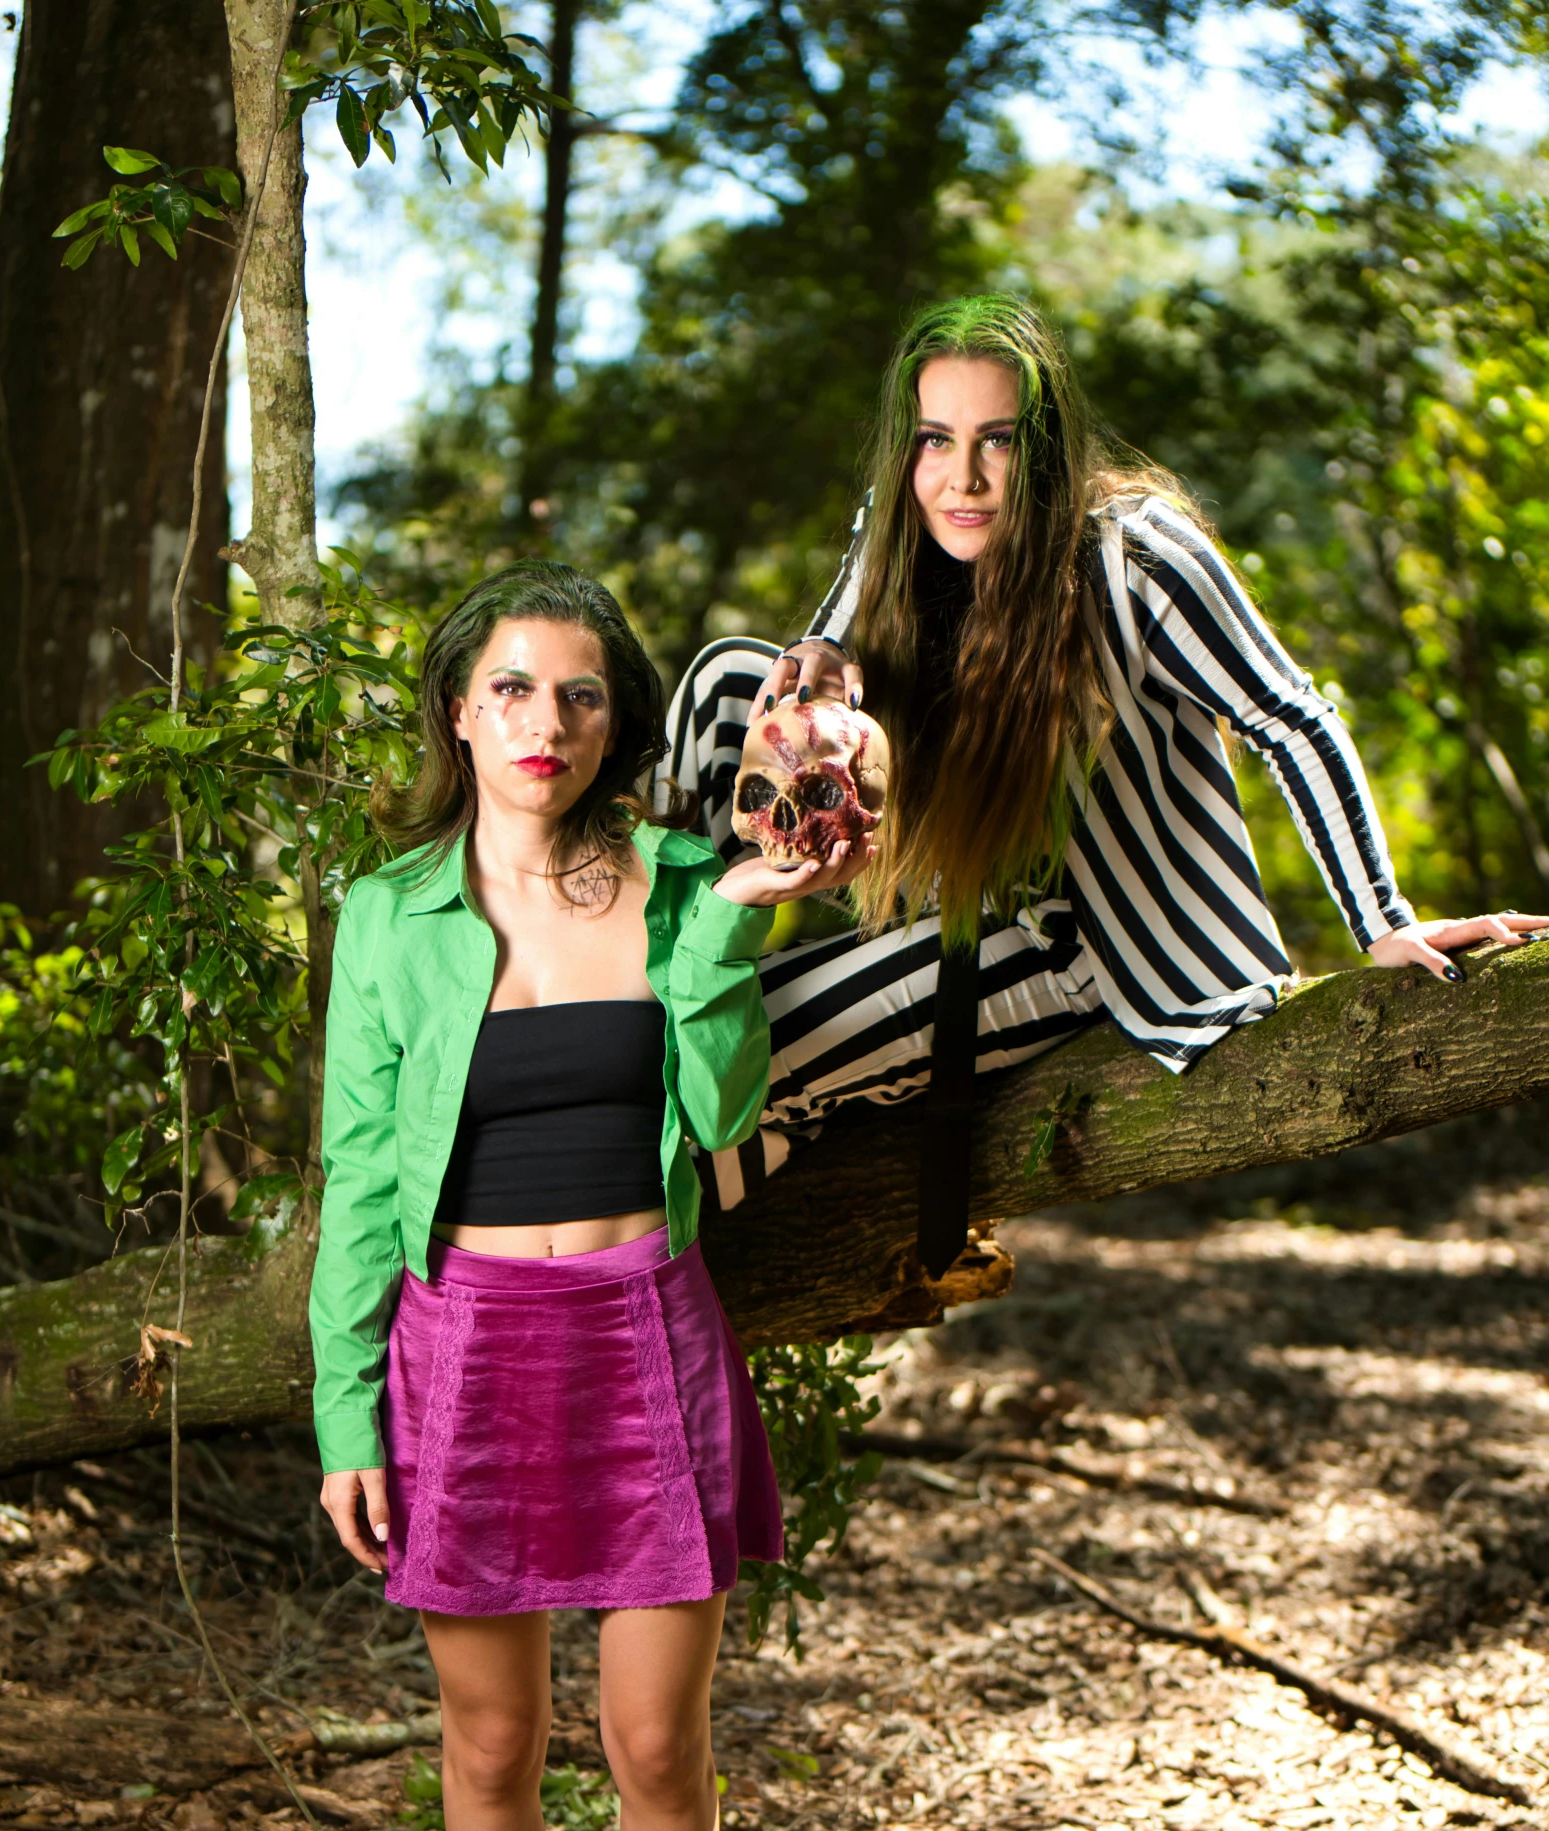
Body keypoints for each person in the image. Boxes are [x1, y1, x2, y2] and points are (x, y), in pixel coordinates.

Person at [310, 562, 870, 1831]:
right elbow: (351, 1178)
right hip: (461, 1348)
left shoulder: (688, 874)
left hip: (644, 1329)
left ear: (616, 722)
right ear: (455, 709)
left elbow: (719, 1103)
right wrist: (346, 1410)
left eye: (577, 695)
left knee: (649, 1746)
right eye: (508, 690)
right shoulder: (388, 914)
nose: (541, 725)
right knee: (486, 1747)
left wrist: (744, 910)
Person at [660, 294, 1546, 1212]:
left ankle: (681, 1194)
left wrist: (1382, 919)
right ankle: (616, 962)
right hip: (928, 889)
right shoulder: (899, 532)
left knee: (729, 1044)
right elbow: (820, 705)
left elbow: (1291, 720)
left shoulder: (1135, 557)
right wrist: (818, 661)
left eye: (996, 441)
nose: (962, 479)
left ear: (1042, 445)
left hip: (1072, 940)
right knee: (734, 673)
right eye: (935, 441)